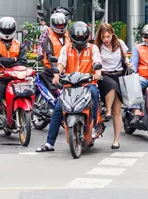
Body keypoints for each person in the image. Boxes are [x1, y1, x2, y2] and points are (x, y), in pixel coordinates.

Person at [36, 21, 102, 152]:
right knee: (58, 110)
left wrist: (98, 73)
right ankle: (49, 143)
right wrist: (57, 74)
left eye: (82, 38)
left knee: (95, 95)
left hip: (88, 84)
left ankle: (94, 126)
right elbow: (60, 64)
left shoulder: (93, 48)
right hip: (69, 85)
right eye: (77, 38)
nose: (79, 41)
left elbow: (97, 62)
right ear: (71, 37)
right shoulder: (65, 49)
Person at [0, 17, 27, 144]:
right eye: (4, 30)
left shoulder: (20, 45)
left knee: (22, 97)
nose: (7, 32)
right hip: (0, 78)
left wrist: (4, 60)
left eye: (9, 29)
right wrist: (13, 60)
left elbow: (23, 61)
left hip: (16, 78)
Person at [94, 23, 129, 149]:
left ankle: (116, 140)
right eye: (103, 37)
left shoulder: (119, 43)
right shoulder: (98, 47)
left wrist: (128, 63)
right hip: (104, 75)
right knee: (112, 85)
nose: (106, 40)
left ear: (112, 35)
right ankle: (107, 110)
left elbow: (126, 57)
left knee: (118, 111)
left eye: (108, 37)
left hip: (119, 74)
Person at [40, 13, 70, 96]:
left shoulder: (68, 37)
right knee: (55, 93)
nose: (61, 27)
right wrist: (55, 73)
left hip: (66, 71)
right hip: (50, 71)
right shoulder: (48, 39)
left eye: (63, 25)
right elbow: (50, 57)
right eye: (59, 25)